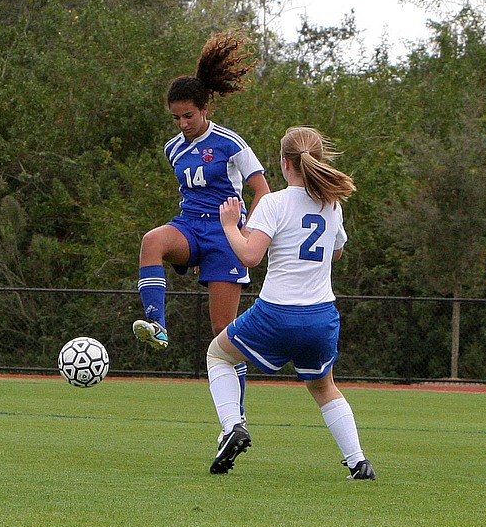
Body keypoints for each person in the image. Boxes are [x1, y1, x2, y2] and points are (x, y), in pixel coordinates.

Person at [205, 126, 375, 480]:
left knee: (218, 355)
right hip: (320, 317)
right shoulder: (332, 204)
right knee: (323, 386)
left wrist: (229, 225)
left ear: (284, 162)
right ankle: (358, 461)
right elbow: (338, 251)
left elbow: (250, 256)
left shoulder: (273, 202)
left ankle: (233, 425)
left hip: (276, 313)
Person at [132, 31, 270, 421]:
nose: (183, 123)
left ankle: (235, 421)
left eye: (188, 116)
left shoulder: (231, 143)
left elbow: (262, 190)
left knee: (223, 333)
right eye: (176, 117)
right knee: (151, 242)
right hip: (190, 226)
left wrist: (245, 233)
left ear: (204, 108)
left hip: (225, 234)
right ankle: (157, 323)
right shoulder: (172, 149)